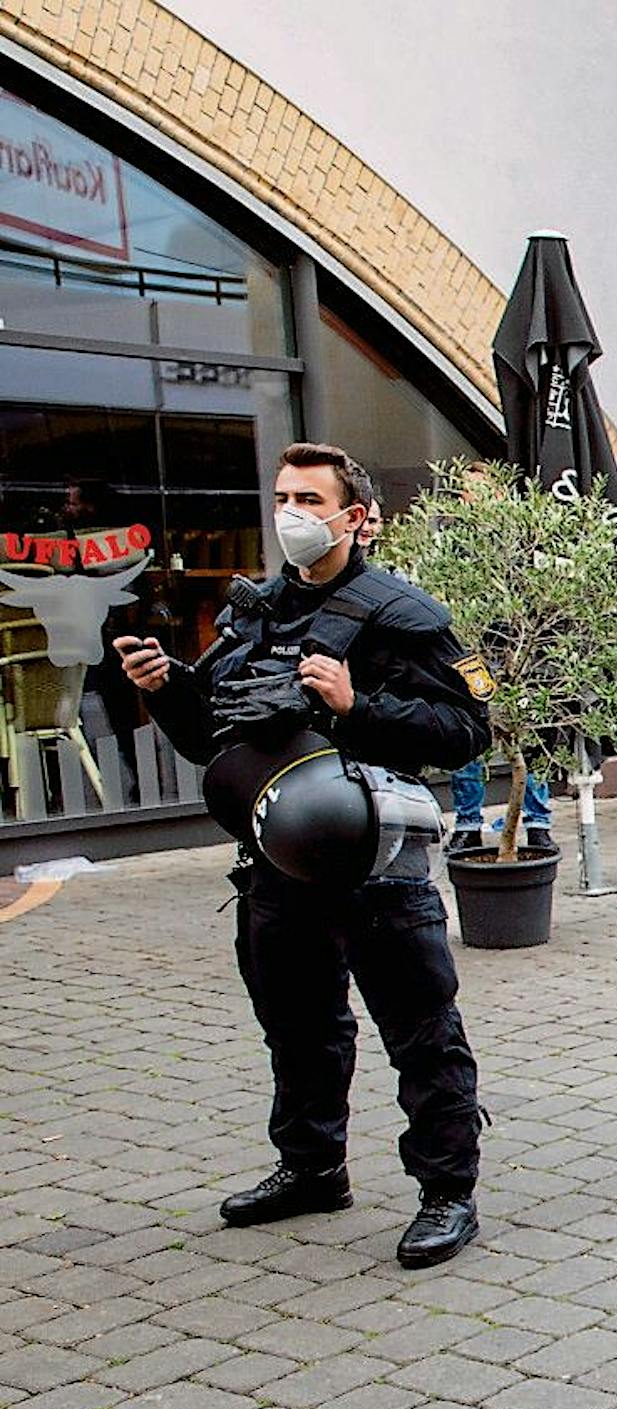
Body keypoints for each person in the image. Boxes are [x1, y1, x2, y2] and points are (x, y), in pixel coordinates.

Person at [116, 442, 490, 1268]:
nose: (292, 514)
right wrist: (165, 687)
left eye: (309, 500)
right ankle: (313, 1168)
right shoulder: (254, 613)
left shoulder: (406, 615)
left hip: (376, 862)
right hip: (275, 860)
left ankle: (445, 1193)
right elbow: (213, 738)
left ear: (353, 518)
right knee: (296, 1024)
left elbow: (467, 732)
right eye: (283, 496)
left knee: (421, 1030)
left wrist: (359, 706)